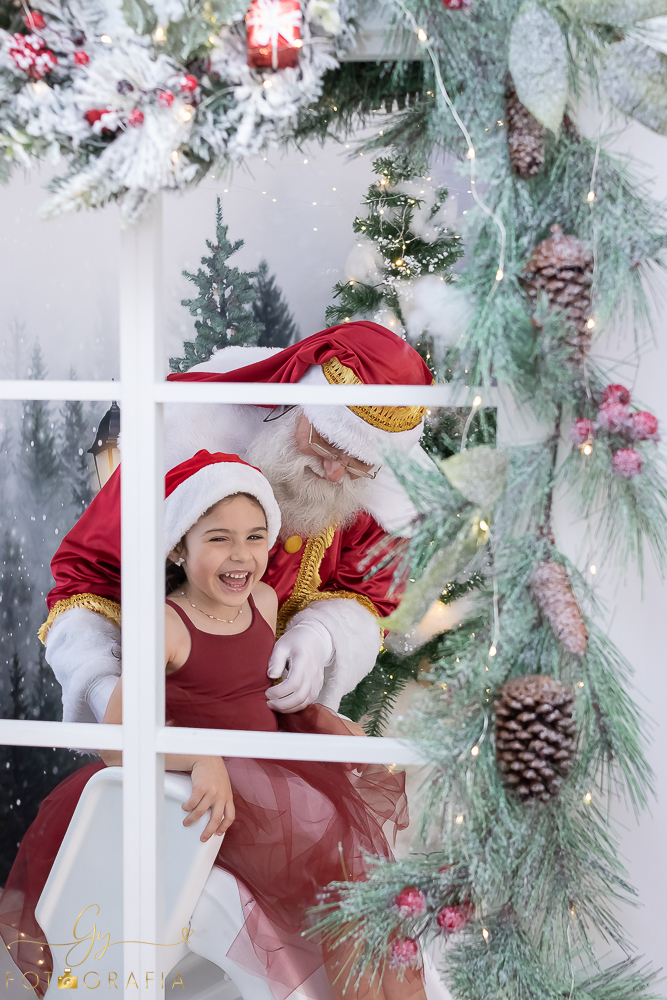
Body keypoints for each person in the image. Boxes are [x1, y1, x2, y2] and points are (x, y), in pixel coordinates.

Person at [0, 452, 426, 1000]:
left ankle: (390, 988)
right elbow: (117, 740)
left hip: (269, 767)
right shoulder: (167, 627)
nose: (241, 556)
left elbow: (252, 694)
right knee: (337, 861)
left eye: (255, 537)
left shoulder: (266, 602)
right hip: (209, 790)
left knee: (361, 876)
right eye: (219, 538)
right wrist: (199, 758)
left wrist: (319, 719)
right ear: (179, 545)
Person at [39, 322, 435, 729]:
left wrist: (323, 638)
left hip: (278, 729)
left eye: (358, 465)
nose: (335, 472)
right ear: (298, 407)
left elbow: (370, 597)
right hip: (174, 723)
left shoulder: (375, 502)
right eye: (325, 444)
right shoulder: (178, 457)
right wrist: (101, 686)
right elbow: (86, 579)